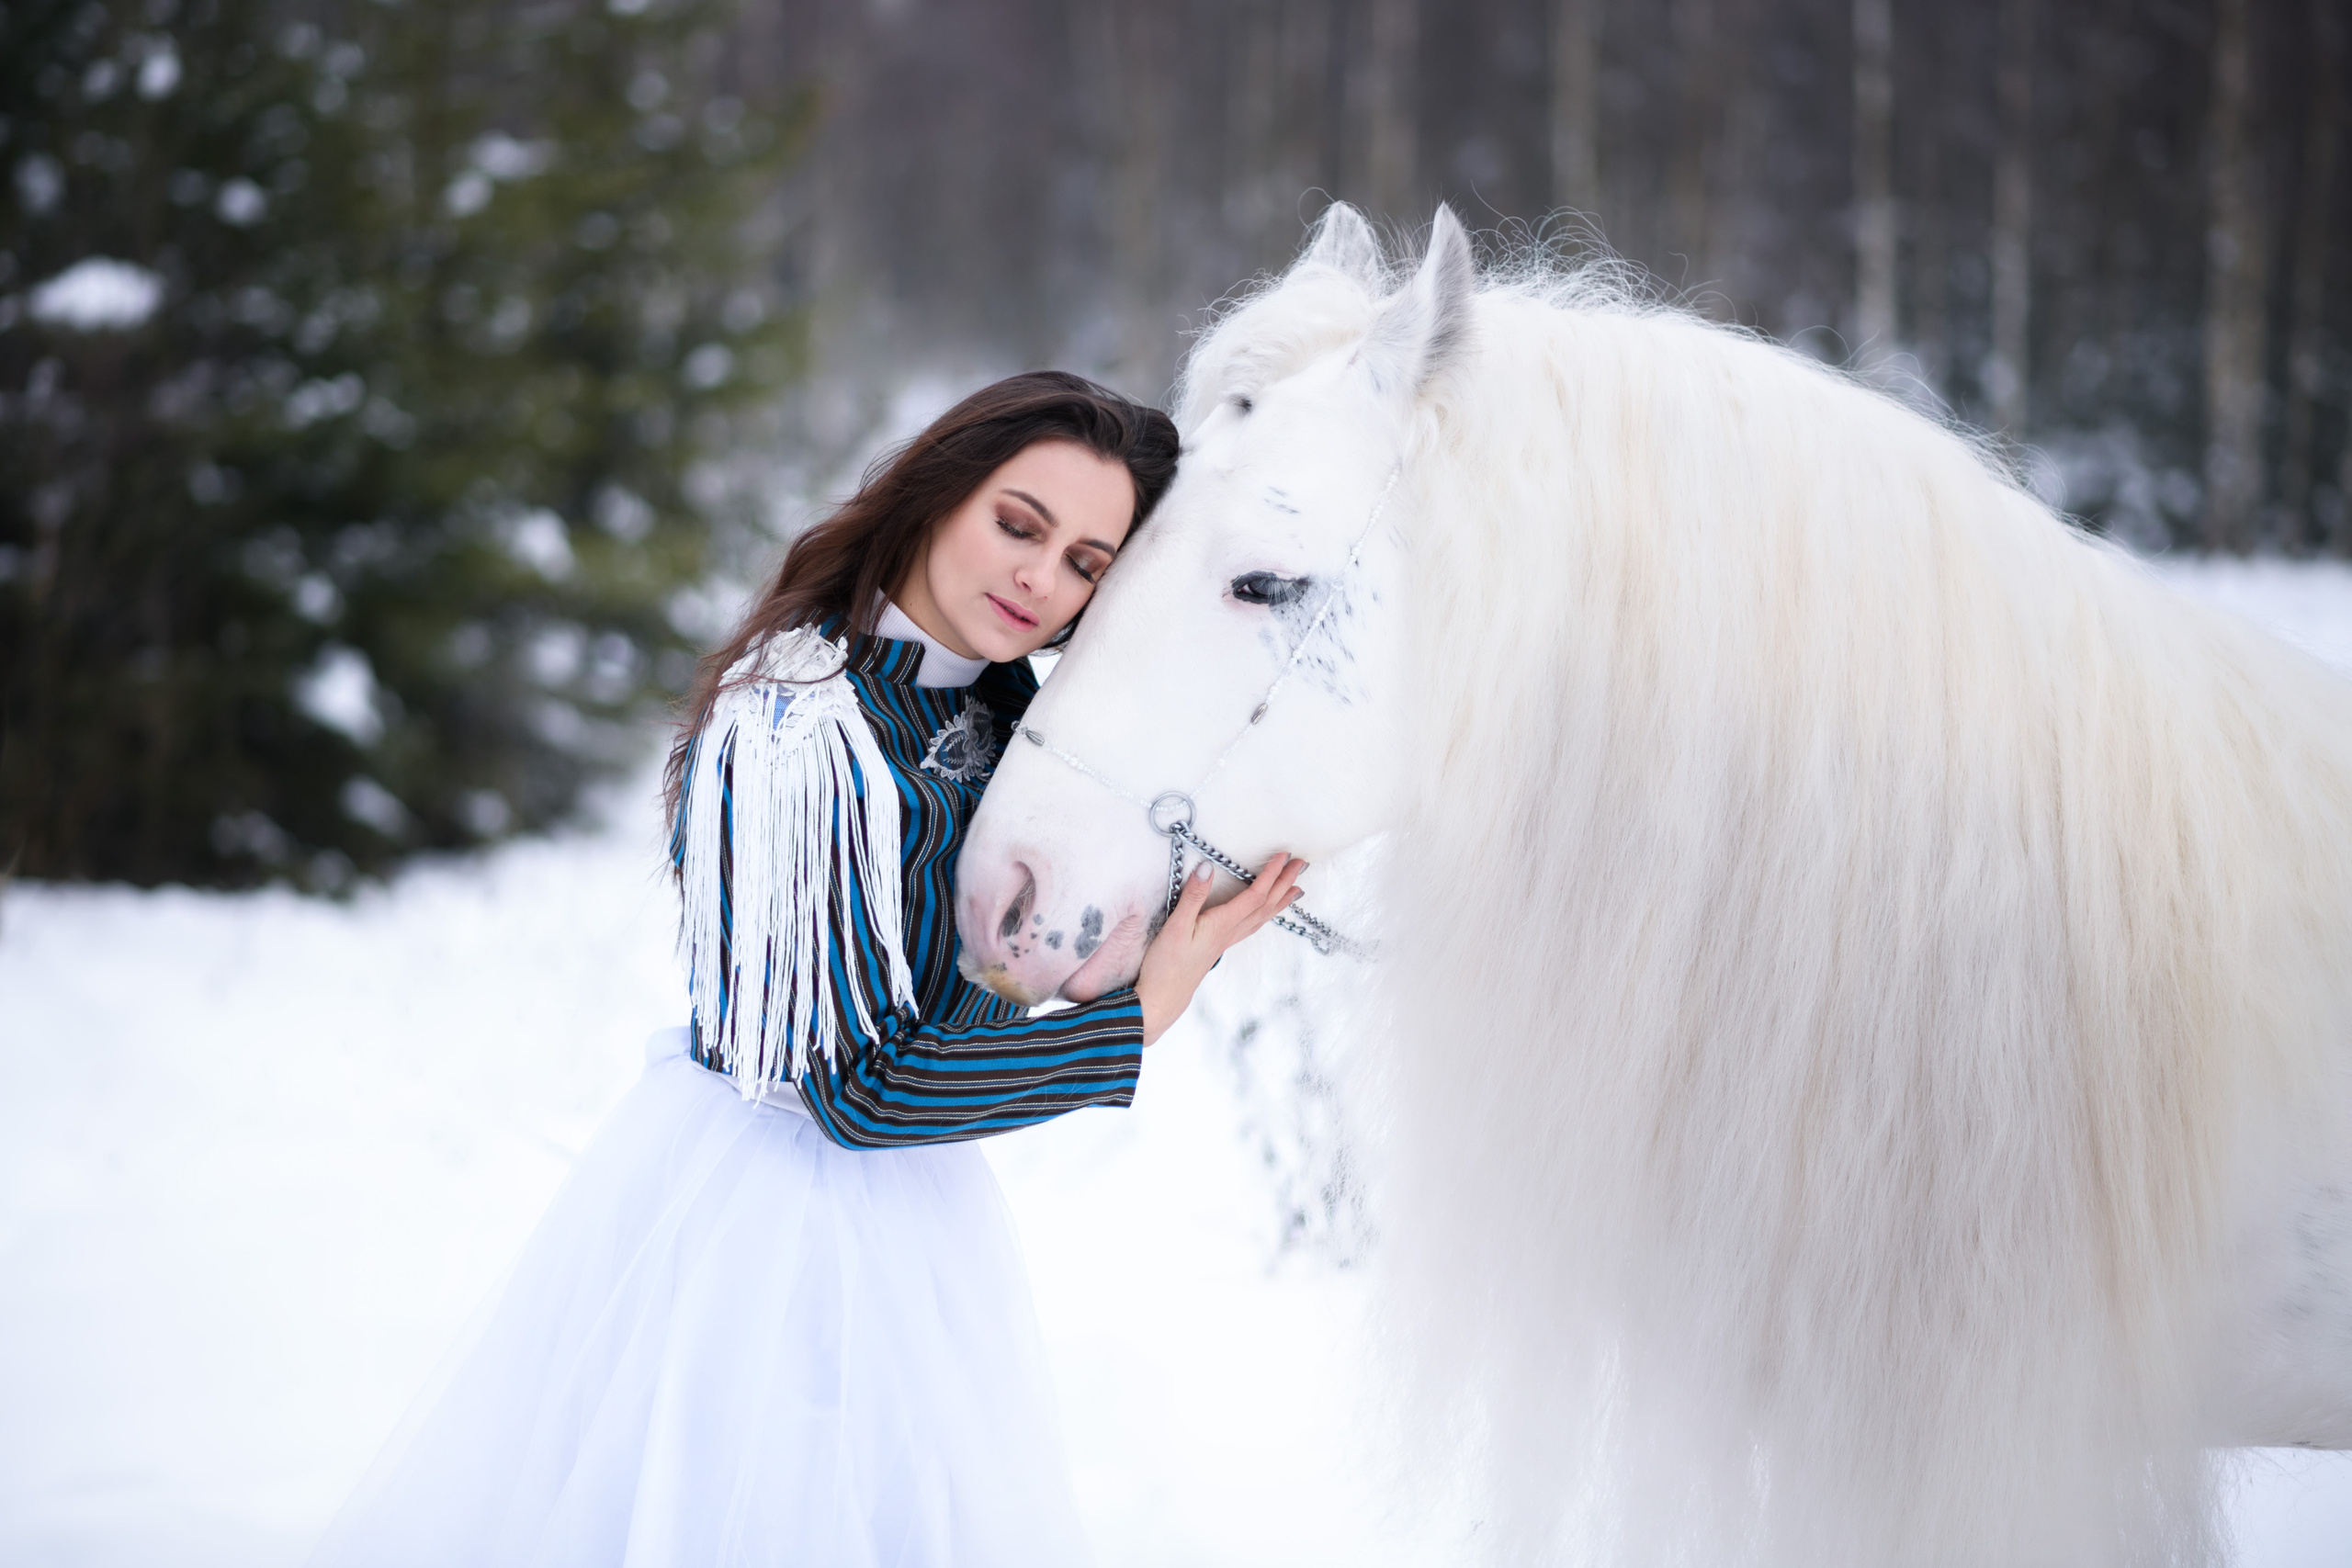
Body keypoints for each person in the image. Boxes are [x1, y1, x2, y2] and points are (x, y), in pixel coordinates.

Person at [306, 371, 1306, 1568]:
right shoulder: (793, 723)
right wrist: (1134, 1022)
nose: (1042, 581)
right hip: (773, 1233)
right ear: (937, 496)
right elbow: (858, 1090)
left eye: (1089, 563)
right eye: (1019, 524)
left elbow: (1005, 977)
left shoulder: (1010, 717)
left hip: (920, 1223)